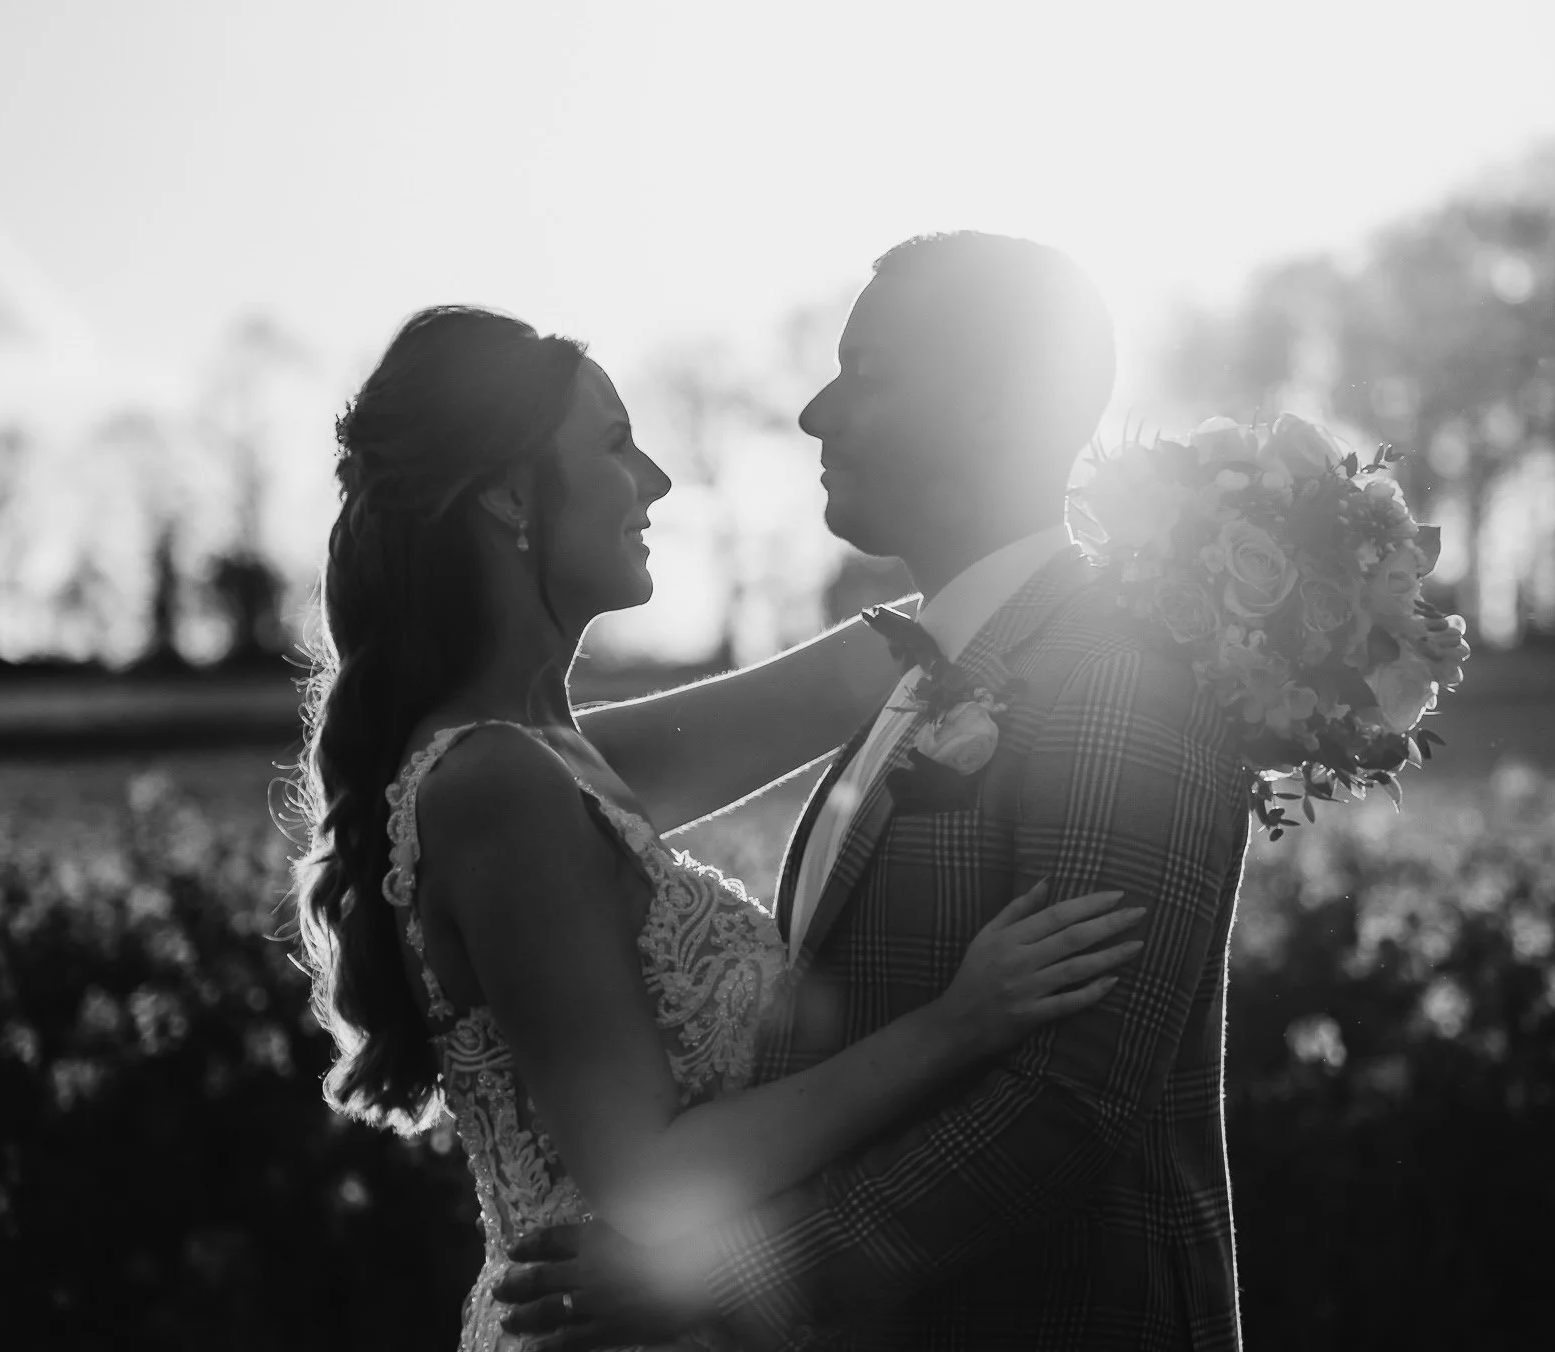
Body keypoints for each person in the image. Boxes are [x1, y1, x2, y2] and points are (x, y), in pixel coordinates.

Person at [290, 305, 1146, 1351]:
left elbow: (870, 663)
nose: (653, 481)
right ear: (510, 491)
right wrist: (958, 1022)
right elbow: (652, 1183)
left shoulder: (558, 755)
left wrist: (1189, 587)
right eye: (613, 444)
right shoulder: (497, 786)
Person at [499, 234, 1253, 1349]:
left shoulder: (1117, 674)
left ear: (997, 403)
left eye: (867, 371)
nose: (814, 412)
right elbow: (529, 783)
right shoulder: (923, 666)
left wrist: (727, 1271)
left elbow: (1068, 1102)